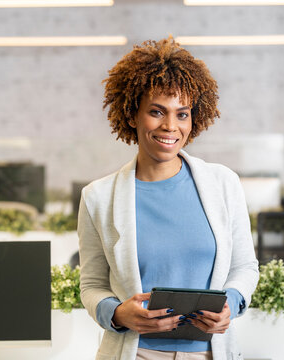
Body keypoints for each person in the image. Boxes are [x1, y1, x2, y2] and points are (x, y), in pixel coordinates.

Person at [78, 37, 259, 360]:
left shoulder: (223, 183)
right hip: (137, 353)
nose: (170, 126)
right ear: (132, 115)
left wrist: (231, 302)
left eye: (182, 114)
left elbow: (245, 266)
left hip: (209, 353)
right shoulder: (98, 197)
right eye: (157, 112)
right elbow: (91, 285)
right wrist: (117, 313)